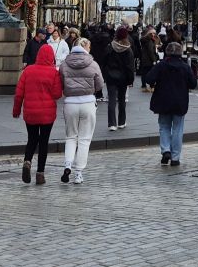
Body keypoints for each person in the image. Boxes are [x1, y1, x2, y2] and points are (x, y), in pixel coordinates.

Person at [58, 30, 105, 184]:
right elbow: (99, 85)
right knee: (84, 139)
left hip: (70, 102)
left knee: (71, 137)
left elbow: (61, 83)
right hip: (88, 103)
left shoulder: (65, 64)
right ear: (87, 48)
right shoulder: (93, 63)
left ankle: (67, 164)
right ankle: (78, 173)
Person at [13, 43, 63, 184]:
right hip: (47, 114)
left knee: (32, 139)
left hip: (30, 112)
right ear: (51, 57)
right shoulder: (54, 73)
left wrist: (16, 110)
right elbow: (57, 94)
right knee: (43, 142)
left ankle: (27, 162)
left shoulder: (28, 70)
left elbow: (18, 94)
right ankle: (40, 174)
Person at [148, 41, 198, 166]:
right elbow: (193, 84)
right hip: (179, 101)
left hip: (163, 100)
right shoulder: (185, 67)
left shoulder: (162, 65)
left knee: (164, 126)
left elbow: (149, 78)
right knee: (178, 128)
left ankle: (165, 150)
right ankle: (175, 157)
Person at [102, 26, 137, 131]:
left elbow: (104, 62)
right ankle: (122, 122)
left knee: (111, 100)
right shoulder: (128, 50)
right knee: (122, 100)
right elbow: (130, 67)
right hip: (123, 78)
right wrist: (130, 80)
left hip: (111, 77)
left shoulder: (110, 47)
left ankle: (112, 123)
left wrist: (105, 75)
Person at [138, 26, 159, 92]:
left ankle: (144, 86)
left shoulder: (145, 39)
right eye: (153, 33)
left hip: (144, 59)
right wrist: (154, 60)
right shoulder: (150, 41)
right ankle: (151, 86)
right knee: (152, 73)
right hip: (149, 60)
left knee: (144, 73)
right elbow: (150, 51)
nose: (154, 35)